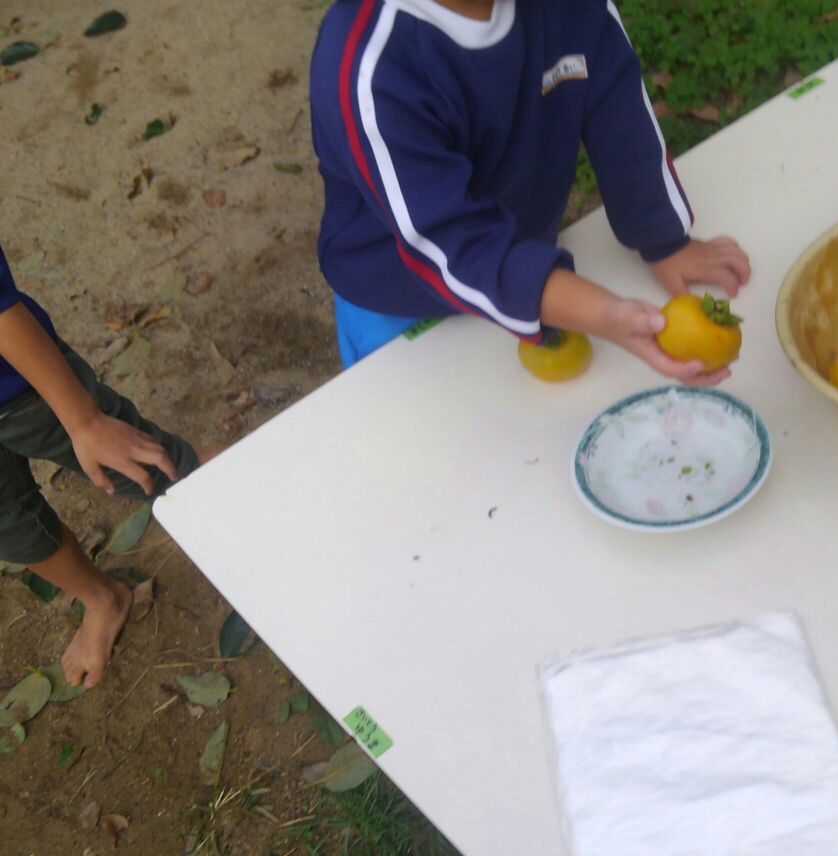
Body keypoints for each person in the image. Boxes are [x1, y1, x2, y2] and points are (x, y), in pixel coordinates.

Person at [309, 0, 752, 381]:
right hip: (401, 298)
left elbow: (621, 118)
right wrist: (605, 314)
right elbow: (447, 240)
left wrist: (664, 239)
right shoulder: (372, 65)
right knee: (417, 446)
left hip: (531, 270)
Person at [0, 242, 209, 688]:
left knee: (161, 471)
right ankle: (102, 599)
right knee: (10, 528)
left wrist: (85, 420)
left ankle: (267, 497)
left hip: (22, 389)